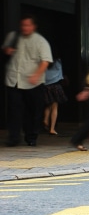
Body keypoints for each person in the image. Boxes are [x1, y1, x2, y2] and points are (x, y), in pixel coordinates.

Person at [2, 15, 52, 147]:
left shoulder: (40, 41)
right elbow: (5, 49)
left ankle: (31, 137)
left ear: (34, 26)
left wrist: (36, 75)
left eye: (28, 25)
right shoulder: (13, 36)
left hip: (32, 82)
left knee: (32, 112)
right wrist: (7, 50)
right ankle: (13, 138)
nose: (25, 28)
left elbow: (45, 61)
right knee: (14, 111)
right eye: (23, 25)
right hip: (14, 80)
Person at [42, 57, 67, 136]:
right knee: (55, 106)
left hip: (45, 85)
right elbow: (60, 74)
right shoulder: (58, 61)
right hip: (55, 85)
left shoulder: (44, 60)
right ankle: (52, 128)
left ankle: (46, 119)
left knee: (48, 104)